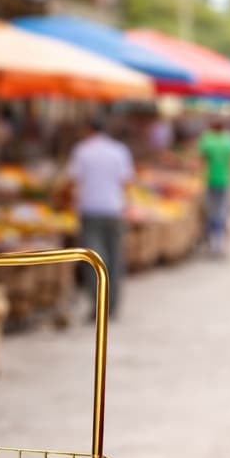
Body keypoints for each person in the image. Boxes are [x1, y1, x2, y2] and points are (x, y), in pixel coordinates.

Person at [65, 115, 135, 320]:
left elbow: (72, 181)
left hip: (91, 210)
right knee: (114, 259)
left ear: (88, 128)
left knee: (94, 261)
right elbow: (126, 182)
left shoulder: (82, 150)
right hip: (114, 209)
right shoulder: (119, 150)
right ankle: (112, 306)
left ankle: (98, 306)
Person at [197, 117, 230, 256]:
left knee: (211, 212)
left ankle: (213, 244)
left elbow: (201, 160)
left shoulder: (207, 140)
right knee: (223, 212)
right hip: (226, 180)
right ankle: (221, 244)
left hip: (210, 179)